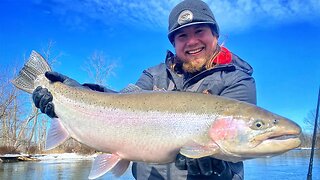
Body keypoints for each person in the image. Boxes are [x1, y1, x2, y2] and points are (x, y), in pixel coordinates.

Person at [32, 0, 256, 179]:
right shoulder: (153, 74)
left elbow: (238, 146)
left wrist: (219, 171)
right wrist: (73, 92)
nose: (192, 41)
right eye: (182, 35)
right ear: (174, 43)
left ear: (215, 35)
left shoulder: (237, 79)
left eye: (200, 31)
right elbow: (119, 104)